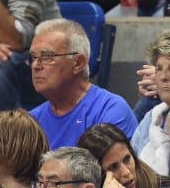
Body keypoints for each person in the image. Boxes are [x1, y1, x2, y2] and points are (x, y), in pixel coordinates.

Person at [27, 20, 135, 148]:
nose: (35, 66)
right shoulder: (32, 121)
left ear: (78, 63)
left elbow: (105, 167)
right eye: (33, 57)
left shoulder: (109, 110)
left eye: (47, 57)